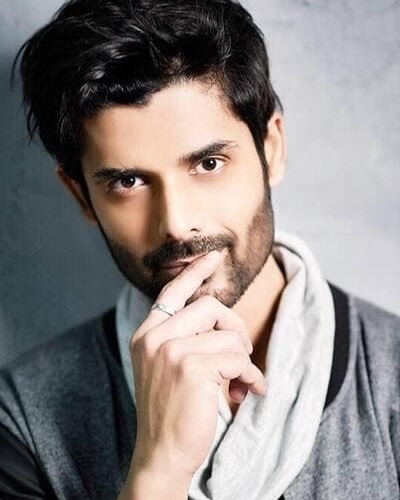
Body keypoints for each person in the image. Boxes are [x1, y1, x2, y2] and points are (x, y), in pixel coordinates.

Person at [0, 0, 399, 499]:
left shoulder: (391, 377)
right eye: (128, 181)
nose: (176, 223)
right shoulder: (21, 419)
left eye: (208, 164)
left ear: (271, 149)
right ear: (82, 196)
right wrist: (158, 469)